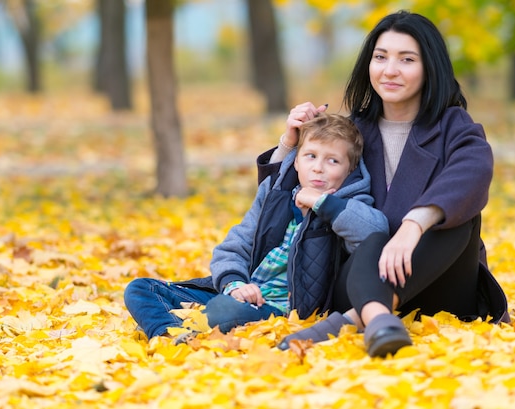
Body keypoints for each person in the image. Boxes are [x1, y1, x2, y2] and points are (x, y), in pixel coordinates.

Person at [256, 10, 509, 358]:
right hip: (360, 278)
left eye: (406, 59)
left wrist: (413, 226)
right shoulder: (350, 133)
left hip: (440, 284)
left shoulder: (453, 126)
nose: (389, 70)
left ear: (429, 67)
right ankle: (376, 316)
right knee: (373, 239)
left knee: (458, 222)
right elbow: (274, 205)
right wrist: (289, 143)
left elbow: (473, 171)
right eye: (380, 57)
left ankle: (354, 321)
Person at [123, 113, 389, 339]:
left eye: (332, 161)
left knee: (223, 311)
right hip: (241, 293)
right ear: (296, 161)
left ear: (349, 168)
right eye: (310, 156)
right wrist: (235, 284)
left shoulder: (349, 204)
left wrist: (323, 203)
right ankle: (169, 335)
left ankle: (193, 324)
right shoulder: (277, 195)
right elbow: (234, 245)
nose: (318, 168)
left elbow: (374, 233)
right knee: (140, 288)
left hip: (279, 308)